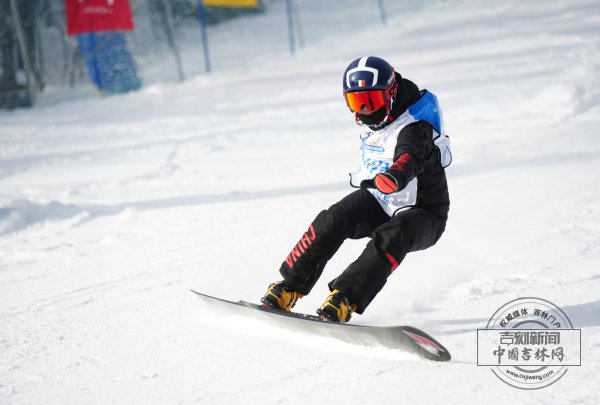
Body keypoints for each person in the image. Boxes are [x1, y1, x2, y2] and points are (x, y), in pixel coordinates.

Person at [261, 56, 452, 323]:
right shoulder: (382, 118)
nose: (363, 111)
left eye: (370, 101)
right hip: (381, 199)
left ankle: (344, 299)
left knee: (392, 235)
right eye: (356, 102)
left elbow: (409, 156)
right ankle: (288, 288)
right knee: (334, 218)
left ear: (391, 93)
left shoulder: (415, 125)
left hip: (424, 211)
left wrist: (395, 176)